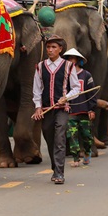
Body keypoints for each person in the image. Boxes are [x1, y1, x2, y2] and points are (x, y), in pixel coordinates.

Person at [31, 35, 82, 185]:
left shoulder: (68, 66)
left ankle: (59, 173)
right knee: (49, 137)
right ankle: (55, 167)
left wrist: (66, 97)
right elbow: (37, 89)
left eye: (54, 47)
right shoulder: (40, 67)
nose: (50, 50)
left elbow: (76, 88)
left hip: (62, 109)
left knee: (59, 137)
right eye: (48, 47)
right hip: (47, 109)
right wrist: (38, 107)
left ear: (60, 49)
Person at [62, 48, 97, 167]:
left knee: (87, 136)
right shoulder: (64, 77)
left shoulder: (86, 75)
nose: (70, 60)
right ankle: (76, 159)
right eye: (68, 58)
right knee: (72, 135)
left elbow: (92, 94)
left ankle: (87, 152)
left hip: (84, 110)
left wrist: (91, 109)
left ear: (77, 60)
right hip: (71, 111)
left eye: (72, 58)